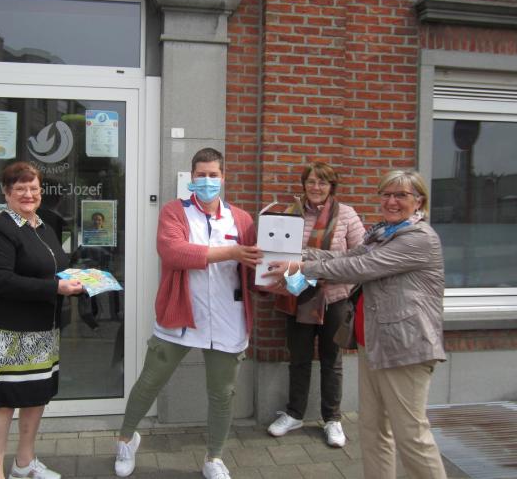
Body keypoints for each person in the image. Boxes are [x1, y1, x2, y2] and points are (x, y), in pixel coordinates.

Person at [263, 170, 448, 479]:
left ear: (419, 202)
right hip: (373, 343)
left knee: (411, 436)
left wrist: (302, 266)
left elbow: (360, 266)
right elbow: (345, 254)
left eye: (400, 195)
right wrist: (292, 252)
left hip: (405, 348)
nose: (391, 201)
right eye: (386, 194)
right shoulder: (383, 232)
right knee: (373, 430)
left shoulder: (418, 238)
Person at [113, 148, 262, 479]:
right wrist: (231, 252)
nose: (207, 181)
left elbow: (253, 267)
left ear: (224, 178)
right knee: (149, 382)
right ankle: (125, 439)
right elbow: (173, 252)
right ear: (191, 177)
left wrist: (281, 271)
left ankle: (214, 457)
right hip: (180, 315)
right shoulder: (174, 212)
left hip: (227, 318)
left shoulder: (242, 219)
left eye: (213, 175)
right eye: (201, 175)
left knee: (222, 393)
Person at [0, 161, 84, 479]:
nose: (28, 194)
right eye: (20, 188)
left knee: (35, 397)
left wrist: (79, 279)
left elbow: (54, 266)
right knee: (1, 404)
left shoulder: (43, 225)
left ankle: (24, 463)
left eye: (33, 188)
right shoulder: (0, 229)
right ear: (6, 193)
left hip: (40, 332)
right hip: (5, 333)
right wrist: (55, 286)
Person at [265, 162, 365, 448]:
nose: (316, 187)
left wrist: (310, 258)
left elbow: (360, 257)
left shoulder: (346, 214)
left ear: (332, 186)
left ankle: (332, 419)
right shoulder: (291, 214)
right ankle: (295, 413)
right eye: (311, 182)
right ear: (304, 184)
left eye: (322, 182)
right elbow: (280, 251)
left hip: (335, 298)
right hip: (299, 296)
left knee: (332, 361)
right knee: (298, 358)